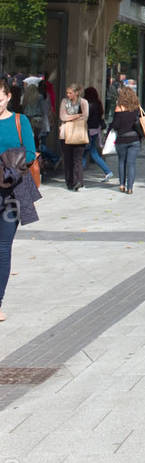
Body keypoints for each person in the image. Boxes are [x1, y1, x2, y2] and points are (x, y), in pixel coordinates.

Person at [0, 76, 40, 323]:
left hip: (12, 190)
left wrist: (8, 164)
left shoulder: (19, 120)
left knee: (2, 248)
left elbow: (31, 152)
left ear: (8, 96)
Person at [108, 85, 144, 193]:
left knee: (121, 162)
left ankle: (122, 185)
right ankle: (130, 188)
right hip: (134, 139)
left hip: (122, 139)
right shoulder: (136, 108)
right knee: (131, 164)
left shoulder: (118, 108)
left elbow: (115, 125)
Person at [58, 84, 89, 192]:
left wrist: (69, 118)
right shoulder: (64, 102)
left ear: (76, 93)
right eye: (67, 93)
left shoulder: (83, 102)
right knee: (67, 159)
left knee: (77, 159)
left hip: (79, 134)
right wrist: (76, 116)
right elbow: (62, 116)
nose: (68, 95)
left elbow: (85, 116)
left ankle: (78, 182)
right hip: (65, 134)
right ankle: (69, 182)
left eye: (70, 92)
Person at [81, 86, 112, 182]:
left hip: (89, 130)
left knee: (91, 152)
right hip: (95, 130)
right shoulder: (98, 103)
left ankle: (107, 171)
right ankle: (79, 173)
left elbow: (86, 118)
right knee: (86, 152)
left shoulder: (88, 105)